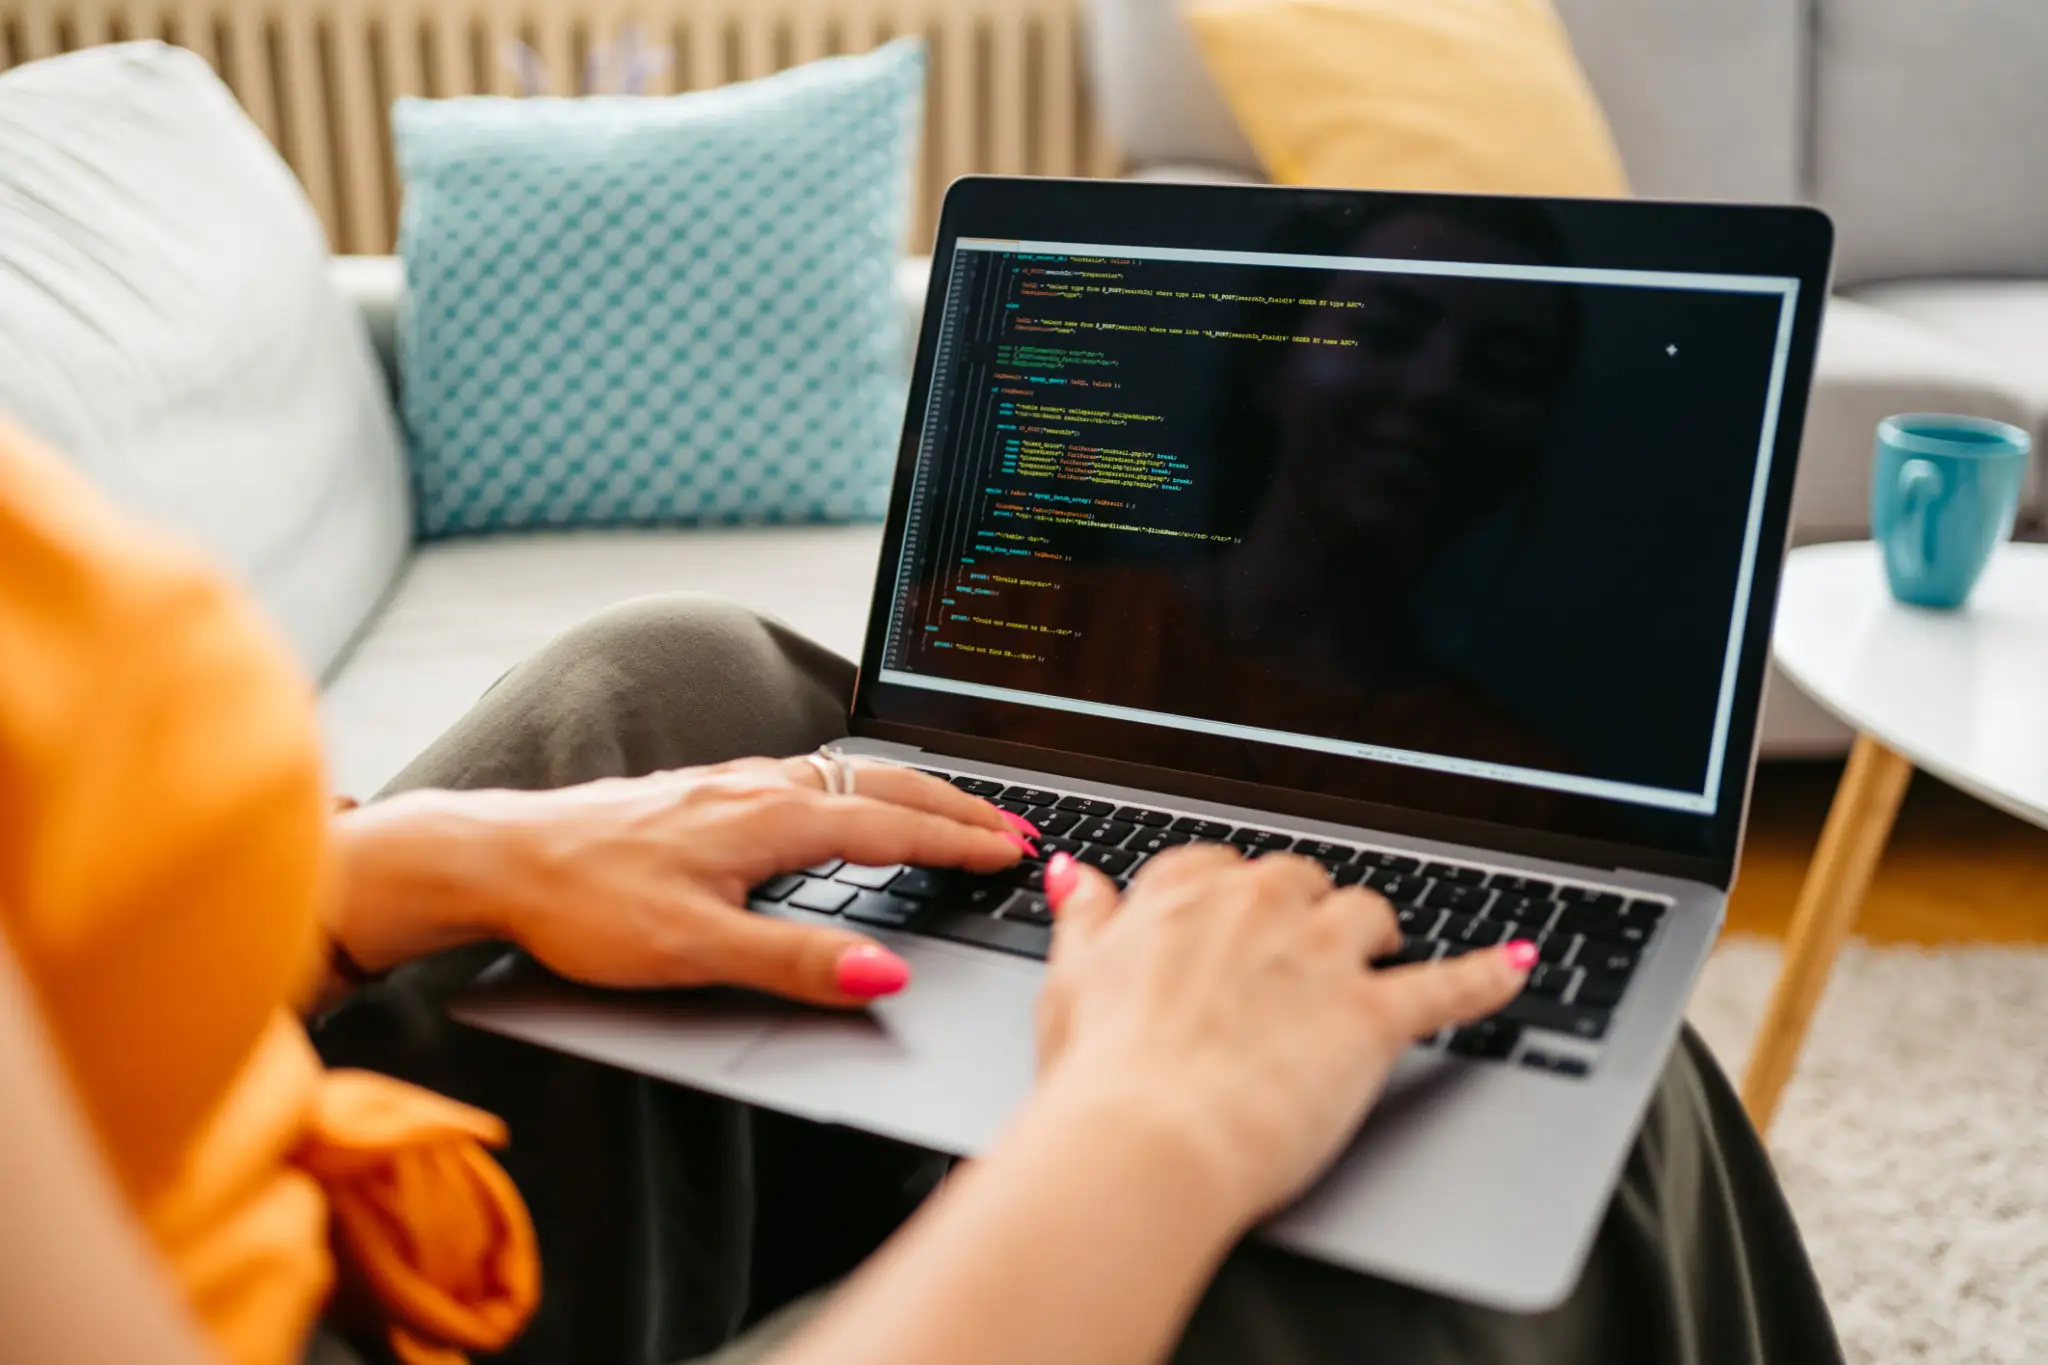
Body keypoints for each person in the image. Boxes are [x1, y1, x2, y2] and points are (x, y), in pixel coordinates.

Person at [0, 411, 1844, 1365]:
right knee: (1520, 1123)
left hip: (180, 1146)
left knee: (676, 680)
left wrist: (408, 870)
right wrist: (1144, 1141)